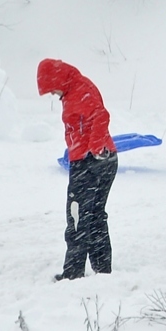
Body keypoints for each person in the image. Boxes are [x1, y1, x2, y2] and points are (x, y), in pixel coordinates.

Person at [38, 58, 117, 280]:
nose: (53, 94)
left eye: (52, 89)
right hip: (100, 159)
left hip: (91, 161)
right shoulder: (76, 88)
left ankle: (73, 275)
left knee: (78, 218)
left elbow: (101, 116)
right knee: (93, 217)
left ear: (57, 79)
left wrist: (94, 148)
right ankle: (103, 270)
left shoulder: (80, 90)